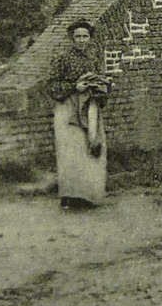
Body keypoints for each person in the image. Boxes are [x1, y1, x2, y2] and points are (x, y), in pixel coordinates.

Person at [46, 20, 114, 209]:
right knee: (71, 151)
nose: (81, 40)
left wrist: (101, 85)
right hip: (68, 109)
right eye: (78, 37)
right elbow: (52, 84)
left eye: (85, 36)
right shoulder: (62, 57)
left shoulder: (94, 57)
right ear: (72, 38)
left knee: (91, 149)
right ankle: (69, 195)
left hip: (90, 108)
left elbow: (102, 79)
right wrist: (74, 87)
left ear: (90, 38)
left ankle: (88, 194)